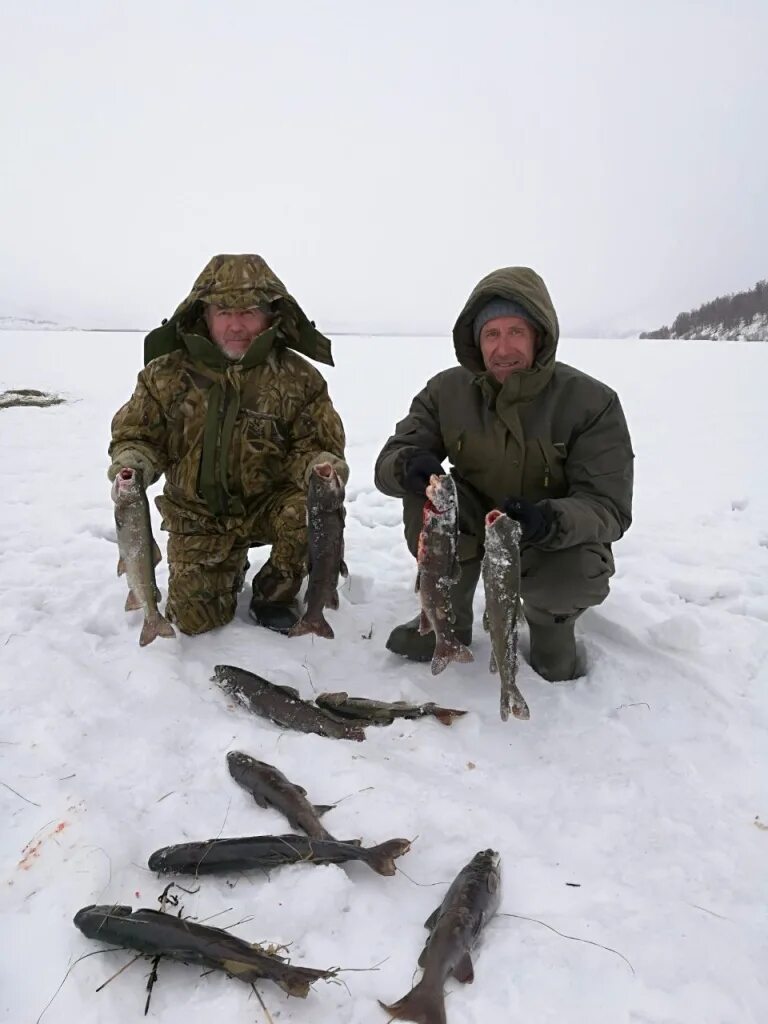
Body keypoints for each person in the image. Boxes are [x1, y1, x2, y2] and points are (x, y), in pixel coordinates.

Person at [374, 266, 633, 681]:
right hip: (476, 516)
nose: (503, 347)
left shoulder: (591, 402)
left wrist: (550, 520)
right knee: (432, 500)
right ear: (477, 341)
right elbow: (391, 458)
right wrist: (406, 465)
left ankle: (551, 633)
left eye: (516, 331)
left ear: (539, 336)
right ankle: (447, 618)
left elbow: (608, 506)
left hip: (545, 530)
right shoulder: (446, 391)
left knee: (571, 570)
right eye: (491, 334)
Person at [108, 253, 348, 636]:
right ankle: (223, 569)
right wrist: (134, 462)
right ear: (203, 314)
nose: (236, 326)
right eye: (223, 311)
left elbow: (317, 444)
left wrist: (320, 466)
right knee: (193, 621)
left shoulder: (298, 378)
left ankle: (275, 594)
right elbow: (137, 435)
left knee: (309, 512)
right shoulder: (164, 375)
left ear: (271, 315)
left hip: (269, 506)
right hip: (198, 514)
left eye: (250, 311)